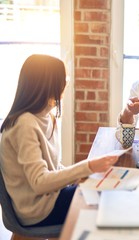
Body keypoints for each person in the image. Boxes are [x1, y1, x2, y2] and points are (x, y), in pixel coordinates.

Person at [0, 54, 118, 227]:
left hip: (52, 197)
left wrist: (82, 174)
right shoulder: (25, 124)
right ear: (48, 84)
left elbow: (54, 168)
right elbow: (40, 182)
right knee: (103, 200)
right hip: (38, 209)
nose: (66, 83)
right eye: (63, 79)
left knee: (102, 191)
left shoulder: (48, 117)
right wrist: (88, 166)